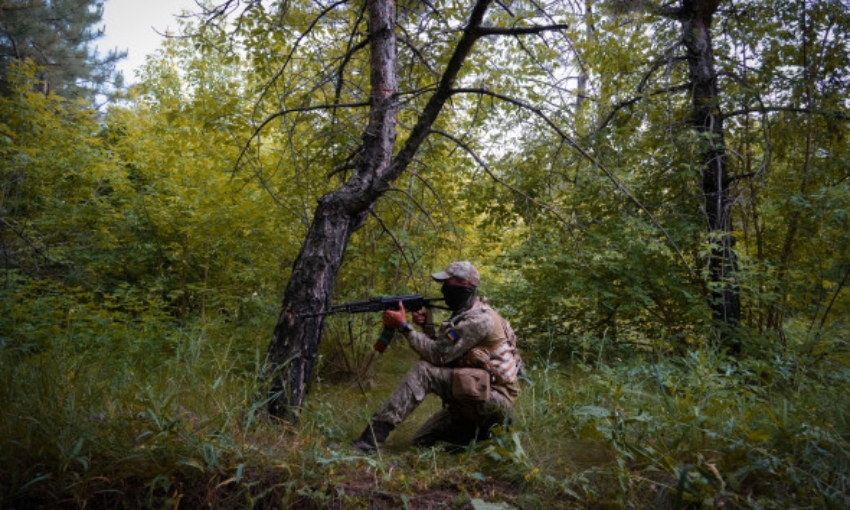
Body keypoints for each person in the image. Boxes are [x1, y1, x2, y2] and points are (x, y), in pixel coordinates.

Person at [351, 261, 522, 452]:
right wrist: (427, 327)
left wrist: (404, 326)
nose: (443, 289)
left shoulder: (479, 320)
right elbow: (447, 352)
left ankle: (369, 442)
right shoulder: (469, 313)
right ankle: (480, 438)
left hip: (495, 406)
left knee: (424, 371)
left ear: (464, 284)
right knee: (422, 444)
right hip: (476, 400)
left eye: (448, 283)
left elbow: (437, 356)